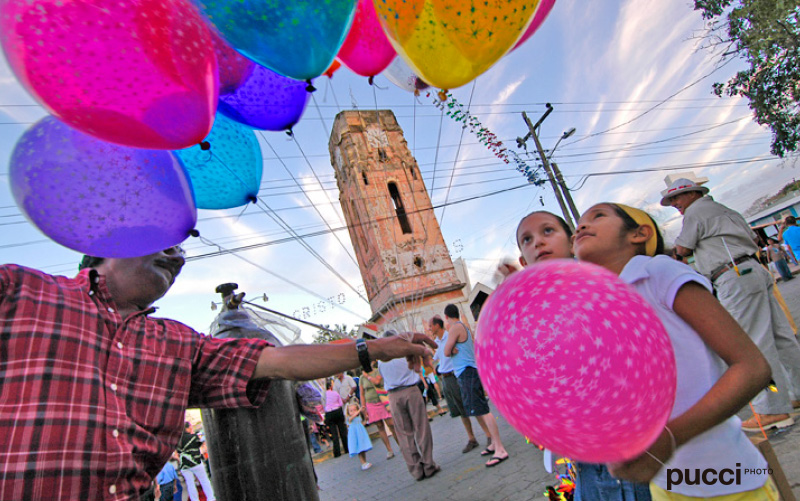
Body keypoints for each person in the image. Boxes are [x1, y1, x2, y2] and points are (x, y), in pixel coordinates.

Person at [0, 247, 436, 499]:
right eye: (163, 237)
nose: (178, 255)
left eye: (182, 245)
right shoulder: (21, 292)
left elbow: (279, 361)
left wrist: (374, 348)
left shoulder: (176, 343)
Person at [574, 202, 777, 498]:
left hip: (726, 476)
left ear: (640, 233)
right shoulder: (602, 308)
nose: (580, 226)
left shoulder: (657, 271)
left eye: (598, 216)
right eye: (578, 223)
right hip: (666, 484)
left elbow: (752, 368)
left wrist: (667, 439)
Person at [513, 210, 652, 501]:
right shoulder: (535, 311)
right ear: (524, 261)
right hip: (582, 452)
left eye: (548, 231)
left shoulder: (600, 287)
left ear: (573, 241)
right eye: (527, 239)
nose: (538, 241)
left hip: (622, 442)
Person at [662, 178, 800, 431]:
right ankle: (797, 392)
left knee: (752, 342)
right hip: (752, 268)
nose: (675, 205)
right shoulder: (726, 211)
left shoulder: (695, 212)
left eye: (677, 199)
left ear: (692, 194)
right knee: (781, 336)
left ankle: (773, 409)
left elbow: (683, 247)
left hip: (733, 275)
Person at [443, 304, 510, 467]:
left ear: (446, 317)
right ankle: (494, 443)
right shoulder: (464, 327)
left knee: (483, 411)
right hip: (469, 372)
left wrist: (451, 349)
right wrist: (453, 350)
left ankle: (500, 449)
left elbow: (445, 352)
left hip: (467, 373)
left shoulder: (455, 328)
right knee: (478, 409)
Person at [378, 331, 440, 481]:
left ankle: (416, 470)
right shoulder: (406, 352)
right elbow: (416, 368)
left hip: (393, 395)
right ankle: (428, 465)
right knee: (421, 428)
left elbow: (381, 378)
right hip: (411, 391)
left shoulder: (381, 360)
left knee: (404, 434)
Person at [429, 315, 492, 453]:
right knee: (460, 410)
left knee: (473, 406)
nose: (429, 328)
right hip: (446, 379)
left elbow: (456, 351)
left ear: (437, 325)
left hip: (456, 374)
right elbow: (436, 359)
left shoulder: (450, 335)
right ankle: (472, 438)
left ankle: (489, 435)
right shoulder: (436, 342)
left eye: (430, 325)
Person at [359, 361, 398, 459]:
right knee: (380, 426)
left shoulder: (378, 371)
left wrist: (367, 376)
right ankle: (389, 450)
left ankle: (401, 444)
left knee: (391, 424)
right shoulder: (361, 378)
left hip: (382, 400)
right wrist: (364, 408)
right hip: (371, 403)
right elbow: (362, 393)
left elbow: (377, 382)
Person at [176, 422, 216, 501]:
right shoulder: (193, 437)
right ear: (187, 428)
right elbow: (200, 445)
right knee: (204, 480)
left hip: (184, 465)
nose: (191, 428)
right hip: (195, 462)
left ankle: (195, 499)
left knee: (190, 483)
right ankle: (211, 498)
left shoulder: (177, 440)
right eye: (190, 427)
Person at [324, 379, 350, 457]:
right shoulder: (335, 393)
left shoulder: (324, 395)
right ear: (330, 386)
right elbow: (341, 403)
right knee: (343, 430)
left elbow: (323, 405)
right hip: (337, 411)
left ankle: (337, 452)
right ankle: (347, 448)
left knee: (334, 433)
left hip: (329, 413)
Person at [346, 402, 373, 470]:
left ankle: (365, 462)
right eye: (351, 410)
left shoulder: (358, 417)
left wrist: (366, 420)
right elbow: (351, 418)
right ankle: (363, 463)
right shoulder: (349, 418)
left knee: (362, 448)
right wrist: (358, 410)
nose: (353, 412)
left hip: (360, 433)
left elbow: (361, 424)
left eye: (354, 410)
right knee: (359, 448)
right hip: (355, 435)